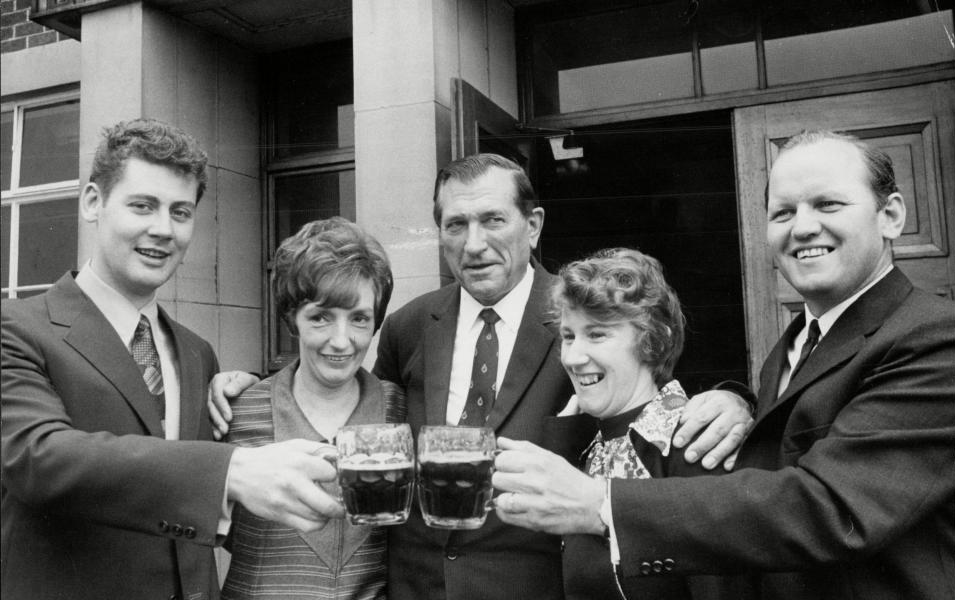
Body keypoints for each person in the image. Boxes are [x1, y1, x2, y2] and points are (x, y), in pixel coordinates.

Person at [207, 153, 755, 600]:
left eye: (493, 219)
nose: (474, 243)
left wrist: (734, 399)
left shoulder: (579, 317)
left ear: (533, 226)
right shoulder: (409, 324)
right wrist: (249, 386)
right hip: (412, 588)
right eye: (456, 224)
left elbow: (650, 388)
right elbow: (356, 401)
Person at [491, 131, 955, 600]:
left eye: (829, 204)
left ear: (891, 216)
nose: (802, 227)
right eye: (783, 212)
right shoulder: (796, 342)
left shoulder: (935, 336)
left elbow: (833, 508)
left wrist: (600, 503)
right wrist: (742, 400)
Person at [1, 118, 344, 600]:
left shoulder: (196, 353)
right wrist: (229, 469)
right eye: (143, 206)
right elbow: (35, 458)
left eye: (180, 212)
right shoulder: (15, 327)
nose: (163, 229)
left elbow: (189, 500)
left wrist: (251, 402)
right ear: (93, 202)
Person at [220, 217, 402, 600]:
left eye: (359, 319)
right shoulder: (234, 413)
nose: (342, 341)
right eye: (321, 317)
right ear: (292, 319)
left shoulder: (401, 410)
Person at [542, 247, 723, 600]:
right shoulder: (585, 443)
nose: (573, 357)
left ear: (652, 342)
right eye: (568, 336)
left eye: (596, 334)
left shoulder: (692, 443)